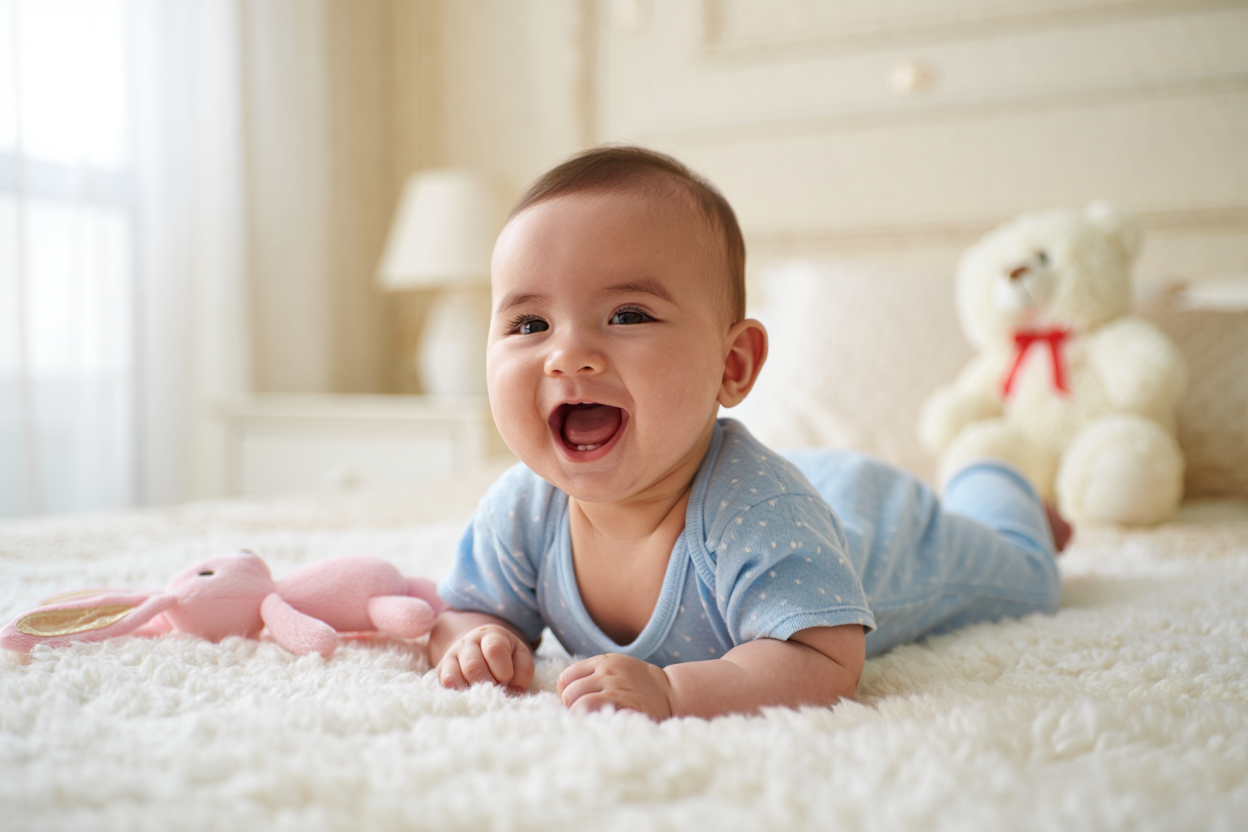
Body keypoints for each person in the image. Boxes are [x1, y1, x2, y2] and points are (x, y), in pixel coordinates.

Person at [427, 146, 1067, 720]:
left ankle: (994, 477)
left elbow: (823, 656)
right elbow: (463, 610)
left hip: (880, 528)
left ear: (731, 366)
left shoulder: (756, 512)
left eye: (627, 314)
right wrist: (475, 641)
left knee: (1028, 573)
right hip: (807, 488)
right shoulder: (522, 509)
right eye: (530, 324)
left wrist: (676, 692)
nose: (567, 354)